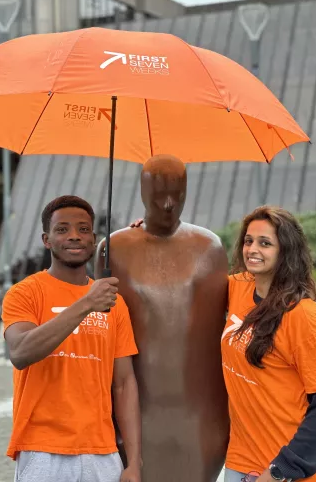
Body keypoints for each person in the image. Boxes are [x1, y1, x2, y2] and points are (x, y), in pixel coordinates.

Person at [95, 154, 229, 482]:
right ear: (142, 193)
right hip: (137, 412)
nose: (169, 204)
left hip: (201, 414)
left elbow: (226, 320)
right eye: (158, 196)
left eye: (177, 195)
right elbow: (103, 330)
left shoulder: (209, 248)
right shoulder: (112, 249)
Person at [2, 195, 142, 482]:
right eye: (62, 229)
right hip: (41, 450)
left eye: (83, 229)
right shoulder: (25, 293)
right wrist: (85, 304)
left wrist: (134, 461)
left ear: (94, 239)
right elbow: (20, 352)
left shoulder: (114, 303)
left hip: (101, 452)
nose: (75, 236)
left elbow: (124, 384)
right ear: (47, 239)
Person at [222, 206, 316, 482]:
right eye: (248, 241)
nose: (252, 249)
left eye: (265, 243)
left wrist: (281, 470)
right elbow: (190, 279)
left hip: (289, 471)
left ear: (286, 250)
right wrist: (155, 229)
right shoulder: (239, 286)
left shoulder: (305, 317)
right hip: (241, 460)